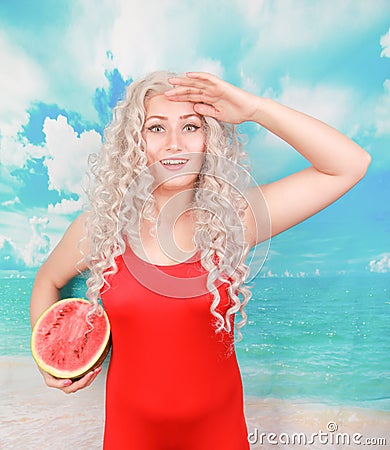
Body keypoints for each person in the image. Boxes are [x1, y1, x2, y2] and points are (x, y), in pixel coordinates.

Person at [30, 71, 371, 449]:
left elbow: (349, 164)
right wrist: (52, 357)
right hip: (131, 435)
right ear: (135, 143)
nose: (175, 144)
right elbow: (47, 279)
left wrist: (255, 109)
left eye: (190, 126)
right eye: (156, 128)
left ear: (208, 139)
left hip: (218, 434)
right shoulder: (102, 227)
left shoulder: (234, 222)